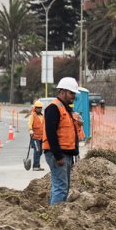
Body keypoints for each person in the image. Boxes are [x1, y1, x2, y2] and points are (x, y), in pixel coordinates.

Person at [42, 77, 84, 205]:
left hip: (66, 154)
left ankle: (55, 212)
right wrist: (58, 155)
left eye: (74, 94)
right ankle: (55, 216)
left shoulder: (66, 109)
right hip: (58, 154)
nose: (73, 96)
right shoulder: (54, 108)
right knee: (60, 187)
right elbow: (51, 134)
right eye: (71, 93)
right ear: (62, 91)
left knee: (62, 187)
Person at [27, 101, 46, 171]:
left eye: (40, 108)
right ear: (35, 108)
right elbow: (29, 124)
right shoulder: (32, 116)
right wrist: (30, 130)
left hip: (42, 137)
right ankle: (35, 166)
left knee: (40, 151)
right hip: (35, 137)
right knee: (37, 150)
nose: (39, 109)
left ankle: (37, 164)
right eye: (38, 108)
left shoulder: (43, 116)